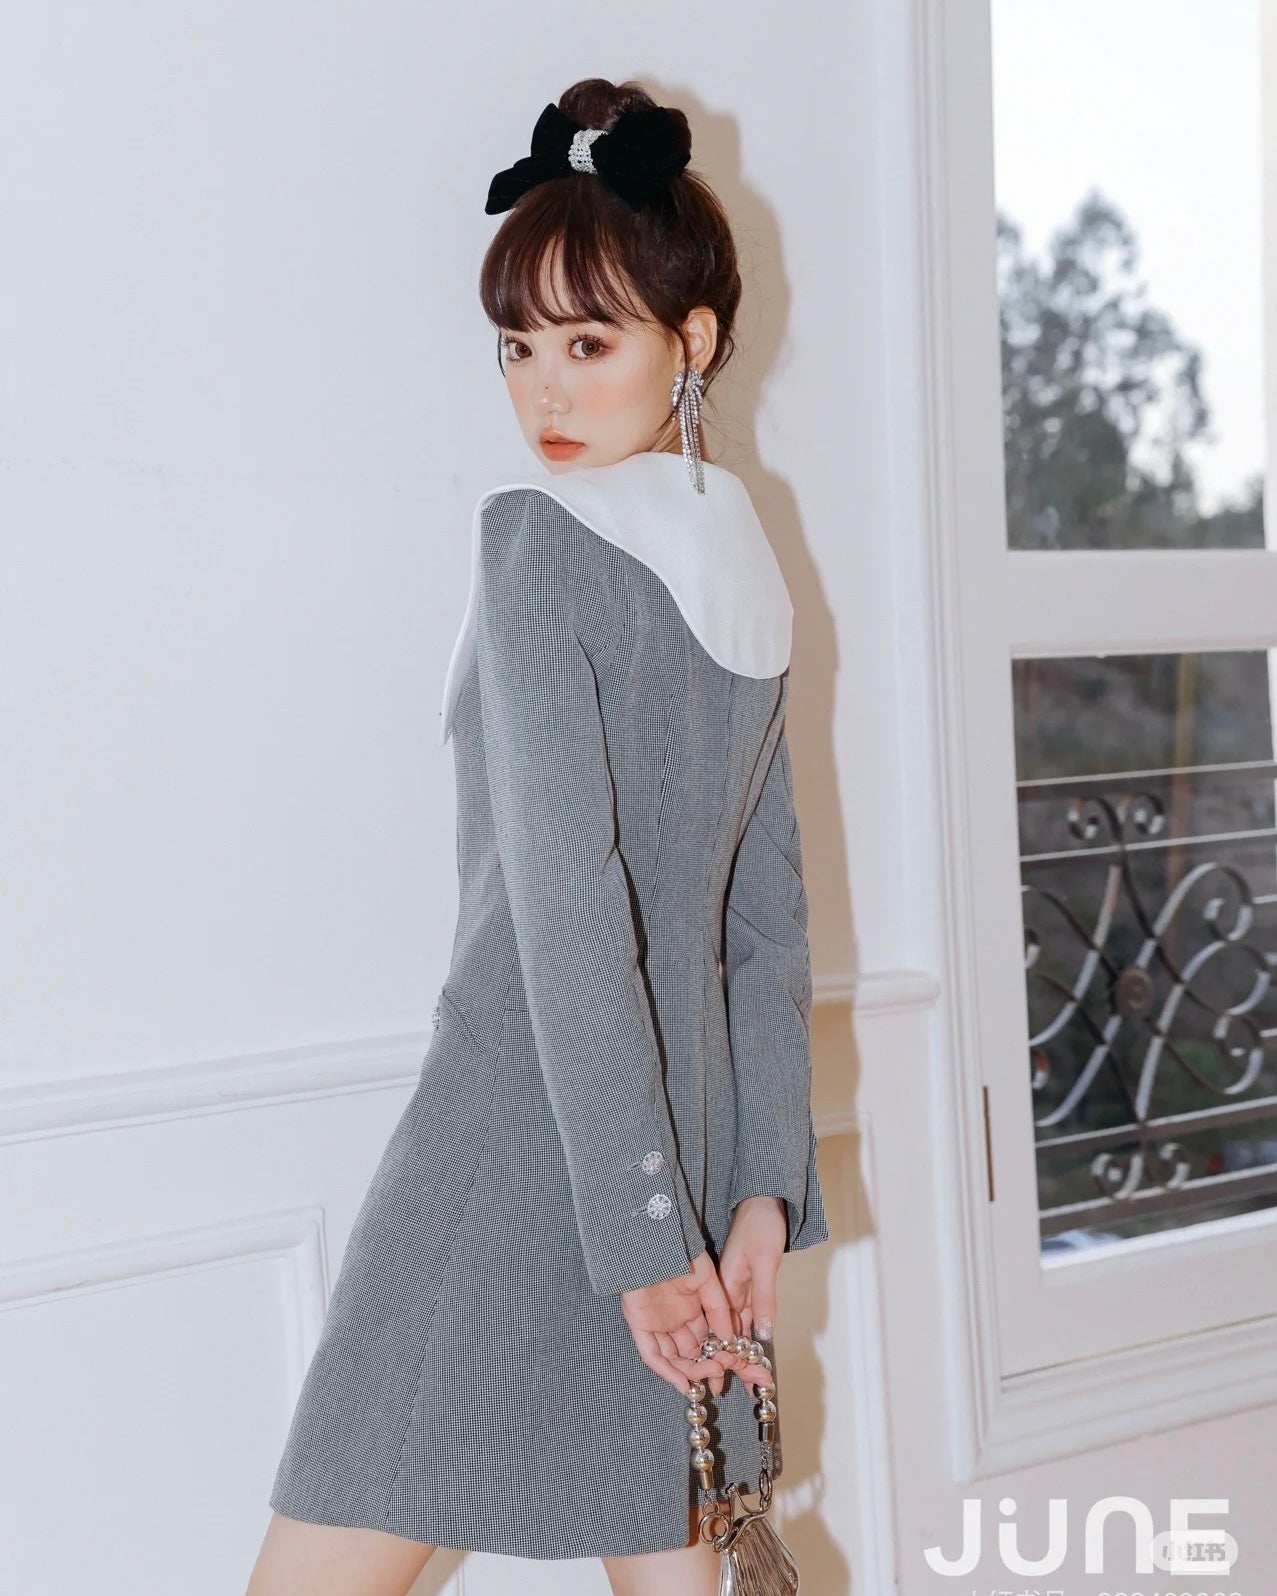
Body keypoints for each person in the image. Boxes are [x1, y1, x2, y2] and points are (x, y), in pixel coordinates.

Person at [246, 76, 829, 1596]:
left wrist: (645, 1238)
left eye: (588, 344)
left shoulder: (541, 541)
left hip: (518, 1141)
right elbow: (763, 924)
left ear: (690, 341)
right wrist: (752, 1190)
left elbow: (567, 913)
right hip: (676, 1156)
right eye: (518, 347)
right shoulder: (741, 552)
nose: (544, 394)